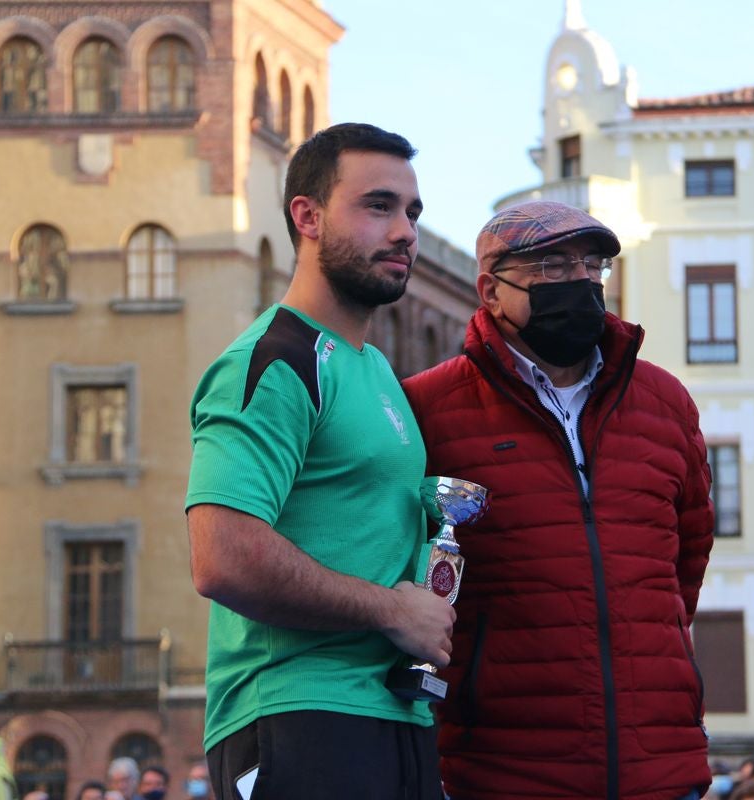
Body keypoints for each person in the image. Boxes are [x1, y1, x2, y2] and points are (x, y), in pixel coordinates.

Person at [402, 201, 715, 800]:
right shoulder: (428, 408)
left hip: (661, 766)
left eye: (591, 265)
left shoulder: (665, 402)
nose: (580, 280)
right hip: (503, 771)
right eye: (551, 267)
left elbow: (687, 558)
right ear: (491, 292)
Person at [186, 123, 450, 800]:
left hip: (397, 715)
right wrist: (391, 610)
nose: (405, 232)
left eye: (412, 212)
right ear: (307, 216)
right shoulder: (273, 361)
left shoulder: (376, 370)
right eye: (378, 206)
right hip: (296, 714)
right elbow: (222, 555)